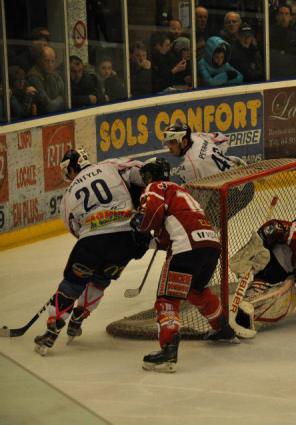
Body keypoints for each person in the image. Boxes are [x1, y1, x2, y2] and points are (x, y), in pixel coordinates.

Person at [33, 149, 149, 356]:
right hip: (125, 240)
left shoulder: (68, 196)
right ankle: (78, 317)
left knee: (71, 284)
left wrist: (92, 246)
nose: (67, 175)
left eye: (66, 171)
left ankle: (52, 330)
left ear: (72, 167)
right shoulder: (110, 165)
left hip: (91, 242)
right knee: (100, 280)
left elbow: (74, 229)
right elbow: (139, 172)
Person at [130, 159, 237, 372]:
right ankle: (222, 328)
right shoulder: (182, 191)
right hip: (210, 246)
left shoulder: (155, 187)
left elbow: (154, 210)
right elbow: (170, 229)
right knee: (196, 291)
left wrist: (140, 228)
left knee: (168, 299)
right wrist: (154, 239)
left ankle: (169, 350)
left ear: (150, 176)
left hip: (186, 248)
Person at [161, 121, 253, 225]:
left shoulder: (190, 166)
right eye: (168, 142)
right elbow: (222, 139)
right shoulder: (197, 136)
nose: (169, 147)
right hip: (243, 179)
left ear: (184, 142)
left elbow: (198, 203)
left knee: (205, 225)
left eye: (173, 142)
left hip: (236, 191)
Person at [26, 46, 66, 114]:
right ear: (39, 60)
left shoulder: (55, 75)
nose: (50, 65)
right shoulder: (34, 77)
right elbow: (48, 107)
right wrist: (60, 99)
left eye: (52, 61)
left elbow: (66, 99)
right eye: (46, 61)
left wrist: (61, 100)